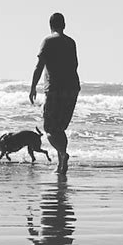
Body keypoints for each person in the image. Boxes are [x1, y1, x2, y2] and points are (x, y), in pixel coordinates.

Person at [29, 13, 80, 174]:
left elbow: (39, 66)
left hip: (55, 89)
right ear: (64, 25)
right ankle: (61, 165)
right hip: (72, 89)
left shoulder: (48, 41)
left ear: (50, 25)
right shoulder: (71, 42)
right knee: (60, 128)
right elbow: (75, 65)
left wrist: (32, 87)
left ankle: (63, 155)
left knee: (49, 129)